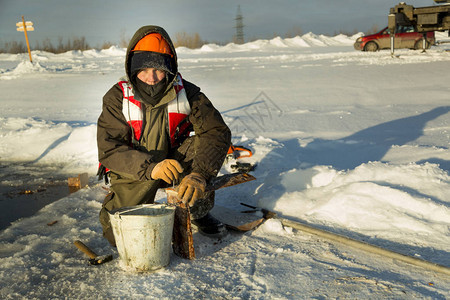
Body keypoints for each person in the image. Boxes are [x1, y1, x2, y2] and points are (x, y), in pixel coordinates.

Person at [97, 25, 231, 246]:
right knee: (120, 238)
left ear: (170, 67)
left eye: (159, 69)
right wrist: (152, 168)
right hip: (136, 167)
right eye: (144, 69)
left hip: (176, 160)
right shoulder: (117, 96)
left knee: (203, 148)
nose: (151, 77)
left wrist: (201, 174)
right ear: (132, 67)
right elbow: (109, 147)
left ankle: (198, 211)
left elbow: (216, 132)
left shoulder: (188, 93)